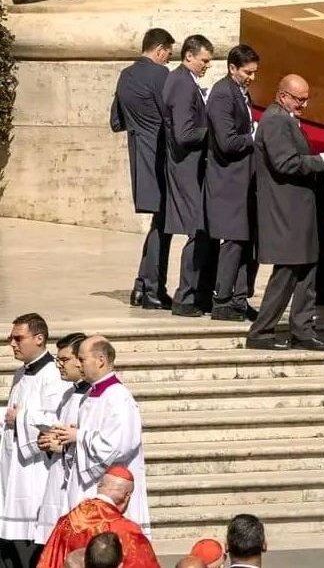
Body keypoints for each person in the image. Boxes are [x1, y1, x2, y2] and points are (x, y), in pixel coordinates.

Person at [246, 74, 324, 352]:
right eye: (299, 99)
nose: (304, 105)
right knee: (286, 273)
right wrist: (319, 161)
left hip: (299, 212)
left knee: (307, 270)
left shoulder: (286, 119)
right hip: (286, 213)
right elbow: (284, 163)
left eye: (306, 99)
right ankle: (261, 330)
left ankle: (302, 329)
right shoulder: (275, 121)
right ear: (282, 95)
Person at [56, 337, 150, 537]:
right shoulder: (91, 393)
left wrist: (79, 436)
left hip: (106, 485)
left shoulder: (118, 397)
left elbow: (120, 445)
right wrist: (73, 436)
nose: (78, 364)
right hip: (86, 484)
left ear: (100, 360)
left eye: (82, 359)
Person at [109, 28, 176, 309]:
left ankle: (141, 286)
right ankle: (152, 290)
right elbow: (173, 115)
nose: (168, 61)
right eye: (168, 55)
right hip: (162, 159)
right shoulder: (161, 75)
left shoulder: (126, 75)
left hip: (140, 159)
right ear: (159, 50)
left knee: (159, 224)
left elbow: (116, 121)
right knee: (164, 225)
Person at [1, 314, 65, 568]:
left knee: (28, 538)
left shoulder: (53, 374)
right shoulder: (20, 372)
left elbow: (57, 418)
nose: (13, 344)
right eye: (11, 339)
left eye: (19, 338)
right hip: (13, 463)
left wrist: (22, 417)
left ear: (39, 338)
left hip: (36, 467)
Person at [162, 34, 217, 317]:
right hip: (187, 167)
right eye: (204, 60)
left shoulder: (183, 81)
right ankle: (185, 297)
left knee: (202, 230)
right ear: (189, 56)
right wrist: (216, 131)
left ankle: (199, 294)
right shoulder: (182, 84)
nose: (207, 65)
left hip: (189, 166)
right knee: (197, 229)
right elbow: (184, 134)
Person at [205, 44, 260, 323]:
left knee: (245, 241)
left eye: (254, 73)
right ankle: (223, 299)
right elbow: (227, 142)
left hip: (244, 179)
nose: (251, 77)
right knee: (233, 242)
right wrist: (255, 137)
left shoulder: (241, 92)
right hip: (228, 180)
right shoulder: (222, 93)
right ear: (232, 68)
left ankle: (240, 298)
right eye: (247, 72)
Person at [36, 466, 159, 568]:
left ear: (99, 486)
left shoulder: (66, 520)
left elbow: (50, 560)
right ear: (127, 496)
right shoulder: (126, 530)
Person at [35, 333, 90, 547]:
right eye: (58, 359)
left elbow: (105, 442)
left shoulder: (97, 396)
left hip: (82, 482)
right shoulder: (69, 395)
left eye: (64, 360)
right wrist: (48, 440)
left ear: (81, 359)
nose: (59, 365)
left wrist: (63, 446)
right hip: (59, 476)